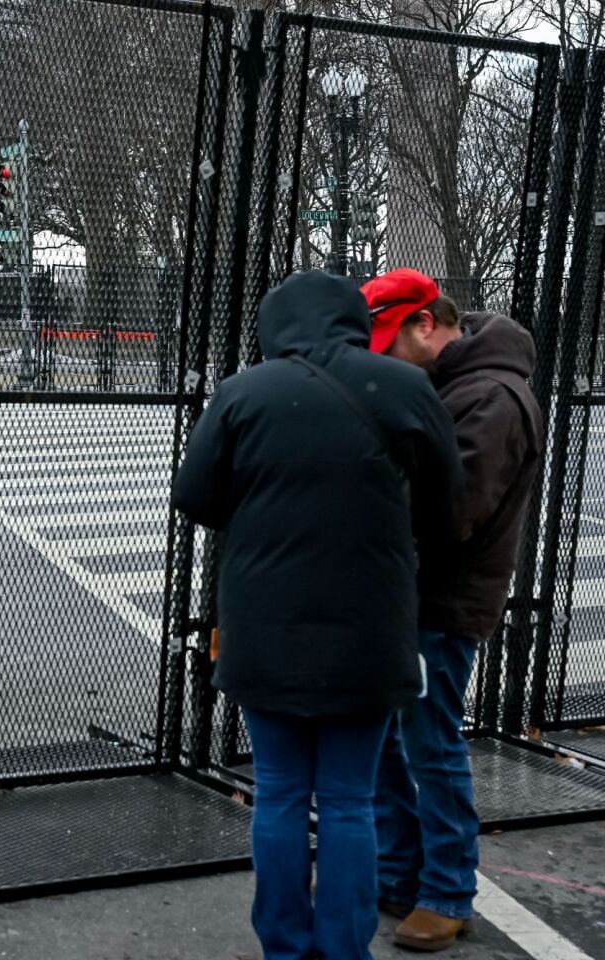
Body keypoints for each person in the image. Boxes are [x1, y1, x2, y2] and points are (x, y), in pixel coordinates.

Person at [170, 271, 461, 960]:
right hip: (369, 631)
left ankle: (284, 946)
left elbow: (195, 496)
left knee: (277, 794)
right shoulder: (404, 388)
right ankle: (343, 947)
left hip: (263, 631)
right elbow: (447, 502)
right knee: (349, 802)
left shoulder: (242, 393)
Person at [364, 269, 544, 951]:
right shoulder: (458, 386)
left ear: (425, 324)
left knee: (429, 744)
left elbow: (454, 510)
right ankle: (403, 873)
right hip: (420, 590)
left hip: (443, 596)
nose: (383, 357)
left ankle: (445, 889)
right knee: (393, 738)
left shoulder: (491, 396)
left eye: (390, 340)